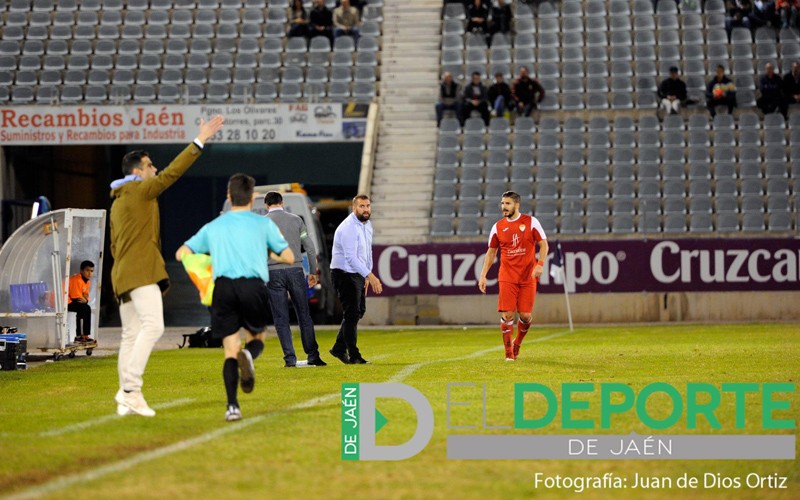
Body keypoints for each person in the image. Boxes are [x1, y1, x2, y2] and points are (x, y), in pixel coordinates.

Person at [110, 115, 224, 418]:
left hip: (122, 274)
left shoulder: (119, 200)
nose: (154, 170)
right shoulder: (139, 189)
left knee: (130, 335)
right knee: (154, 326)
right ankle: (131, 390)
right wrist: (200, 139)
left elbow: (112, 245)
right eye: (150, 165)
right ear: (138, 172)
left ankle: (124, 394)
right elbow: (171, 174)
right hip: (140, 271)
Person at [177, 174, 294, 422]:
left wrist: (209, 261)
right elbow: (289, 256)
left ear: (229, 197)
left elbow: (182, 253)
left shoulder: (214, 226)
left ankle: (232, 407)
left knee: (230, 350)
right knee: (258, 337)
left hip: (223, 289)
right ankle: (250, 356)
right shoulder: (263, 225)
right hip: (253, 286)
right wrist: (268, 254)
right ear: (253, 198)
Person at [478, 191, 548, 362]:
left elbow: (543, 244)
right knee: (508, 314)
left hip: (527, 276)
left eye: (508, 203)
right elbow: (491, 252)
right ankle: (509, 352)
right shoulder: (498, 227)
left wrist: (540, 264)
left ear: (517, 205)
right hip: (507, 276)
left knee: (524, 315)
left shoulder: (531, 222)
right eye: (502, 203)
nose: (504, 207)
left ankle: (517, 343)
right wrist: (483, 275)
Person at [264, 191, 327, 368]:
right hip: (295, 271)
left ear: (266, 205)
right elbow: (310, 247)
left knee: (281, 317)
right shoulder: (297, 220)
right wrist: (314, 272)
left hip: (273, 272)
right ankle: (313, 355)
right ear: (282, 202)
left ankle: (290, 359)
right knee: (303, 314)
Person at [329, 195, 382, 365]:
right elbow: (351, 258)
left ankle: (338, 347)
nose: (366, 209)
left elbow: (368, 252)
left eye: (367, 206)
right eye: (362, 206)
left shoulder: (367, 225)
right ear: (354, 208)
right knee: (352, 313)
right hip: (343, 273)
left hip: (356, 273)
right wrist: (371, 276)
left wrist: (367, 273)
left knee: (359, 311)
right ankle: (354, 355)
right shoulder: (349, 227)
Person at [67, 260, 95, 343]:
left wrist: (85, 300)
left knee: (86, 308)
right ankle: (79, 336)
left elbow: (86, 296)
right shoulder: (77, 280)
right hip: (62, 301)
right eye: (87, 270)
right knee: (83, 307)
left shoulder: (87, 282)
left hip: (70, 301)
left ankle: (85, 335)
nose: (90, 273)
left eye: (92, 271)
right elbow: (77, 299)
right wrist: (85, 300)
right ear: (81, 271)